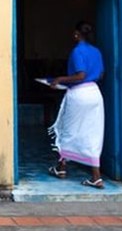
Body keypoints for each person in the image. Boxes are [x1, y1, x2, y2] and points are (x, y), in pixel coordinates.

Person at [47, 21, 105, 189]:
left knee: (68, 130)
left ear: (76, 34)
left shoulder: (77, 51)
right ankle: (96, 177)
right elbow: (100, 74)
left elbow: (80, 75)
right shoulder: (96, 51)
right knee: (93, 134)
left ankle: (62, 167)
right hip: (95, 93)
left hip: (79, 94)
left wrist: (59, 79)